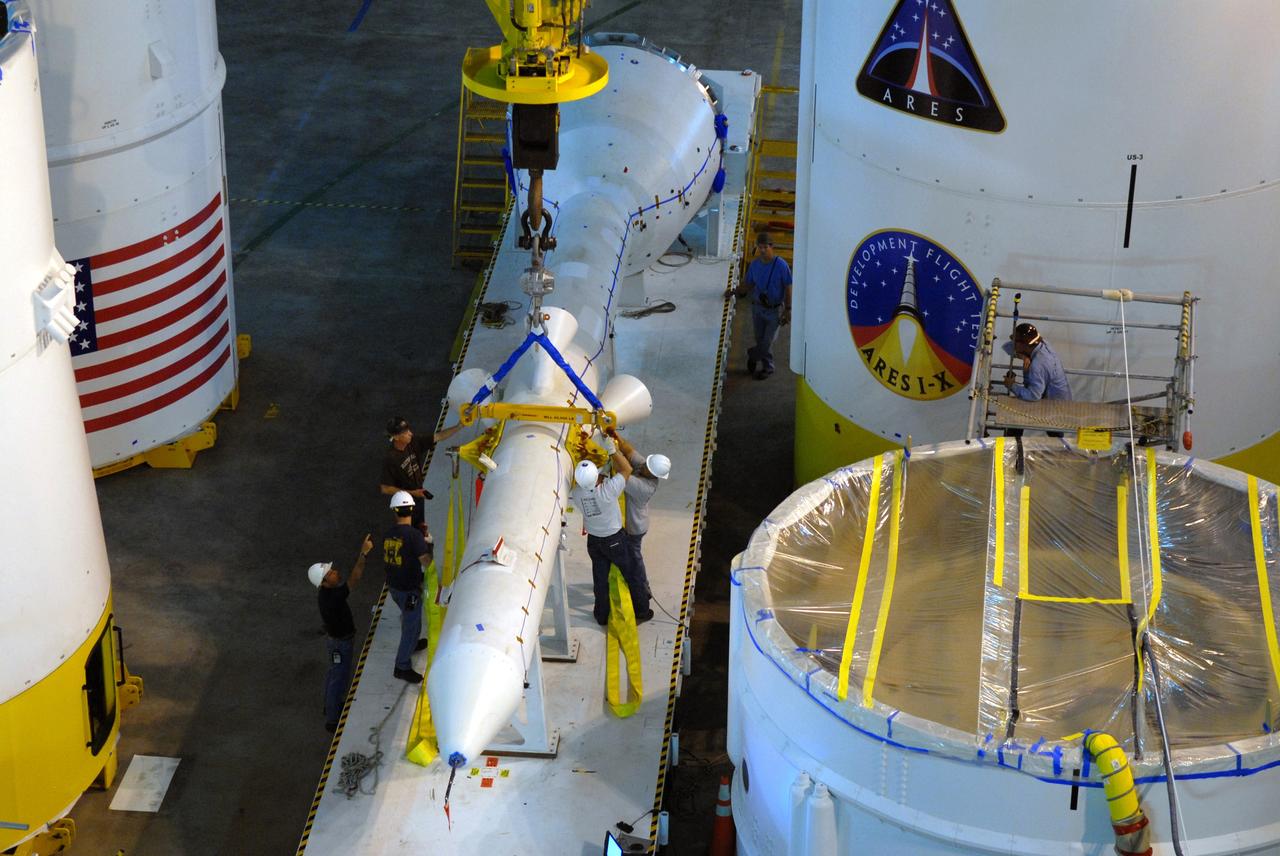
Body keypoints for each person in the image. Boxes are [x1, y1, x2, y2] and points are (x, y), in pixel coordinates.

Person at [571, 440, 653, 627]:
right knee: (633, 575)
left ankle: (601, 615)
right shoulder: (608, 491)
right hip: (615, 541)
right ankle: (642, 610)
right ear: (597, 478)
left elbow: (591, 482)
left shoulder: (576, 493)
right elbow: (626, 470)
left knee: (601, 580)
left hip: (594, 541)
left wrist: (603, 468)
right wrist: (612, 450)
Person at [309, 534, 374, 732]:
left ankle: (330, 706)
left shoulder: (326, 594)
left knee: (334, 673)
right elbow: (355, 578)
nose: (336, 572)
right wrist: (363, 554)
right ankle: (332, 718)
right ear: (324, 582)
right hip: (341, 643)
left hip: (336, 641)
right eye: (331, 573)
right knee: (339, 676)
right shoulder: (333, 597)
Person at [606, 426, 669, 599]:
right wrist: (616, 437)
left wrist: (611, 450)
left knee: (635, 560)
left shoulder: (644, 487)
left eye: (648, 467)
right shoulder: (645, 467)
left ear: (653, 473)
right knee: (631, 558)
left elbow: (623, 472)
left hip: (634, 529)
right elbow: (629, 450)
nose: (644, 466)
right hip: (633, 524)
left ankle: (642, 588)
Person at [380, 415, 463, 535]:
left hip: (418, 494)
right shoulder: (391, 459)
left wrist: (459, 426)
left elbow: (438, 436)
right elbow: (385, 488)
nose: (410, 434)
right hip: (405, 502)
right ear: (396, 437)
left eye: (409, 430)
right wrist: (413, 493)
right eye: (405, 432)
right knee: (408, 530)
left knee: (420, 525)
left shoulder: (413, 442)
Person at [382, 490, 434, 683]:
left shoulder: (389, 534)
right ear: (412, 510)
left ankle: (412, 645)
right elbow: (427, 562)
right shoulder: (413, 536)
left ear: (395, 511)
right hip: (408, 589)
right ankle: (401, 666)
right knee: (411, 625)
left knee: (410, 618)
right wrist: (428, 542)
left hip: (394, 587)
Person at [727, 232, 793, 380]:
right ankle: (767, 367)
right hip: (757, 309)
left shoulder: (781, 266)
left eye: (765, 247)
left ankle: (753, 355)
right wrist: (733, 292)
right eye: (760, 247)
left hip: (774, 310)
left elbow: (788, 287)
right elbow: (749, 284)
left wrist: (788, 309)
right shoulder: (755, 265)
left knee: (768, 341)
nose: (762, 250)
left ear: (771, 247)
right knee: (760, 339)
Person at [1002, 323, 1072, 402]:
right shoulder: (1044, 344)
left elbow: (1034, 396)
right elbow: (1006, 347)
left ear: (1022, 345)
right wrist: (1023, 356)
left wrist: (1012, 386)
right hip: (1063, 399)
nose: (1013, 344)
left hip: (1055, 406)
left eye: (1015, 342)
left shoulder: (1038, 364)